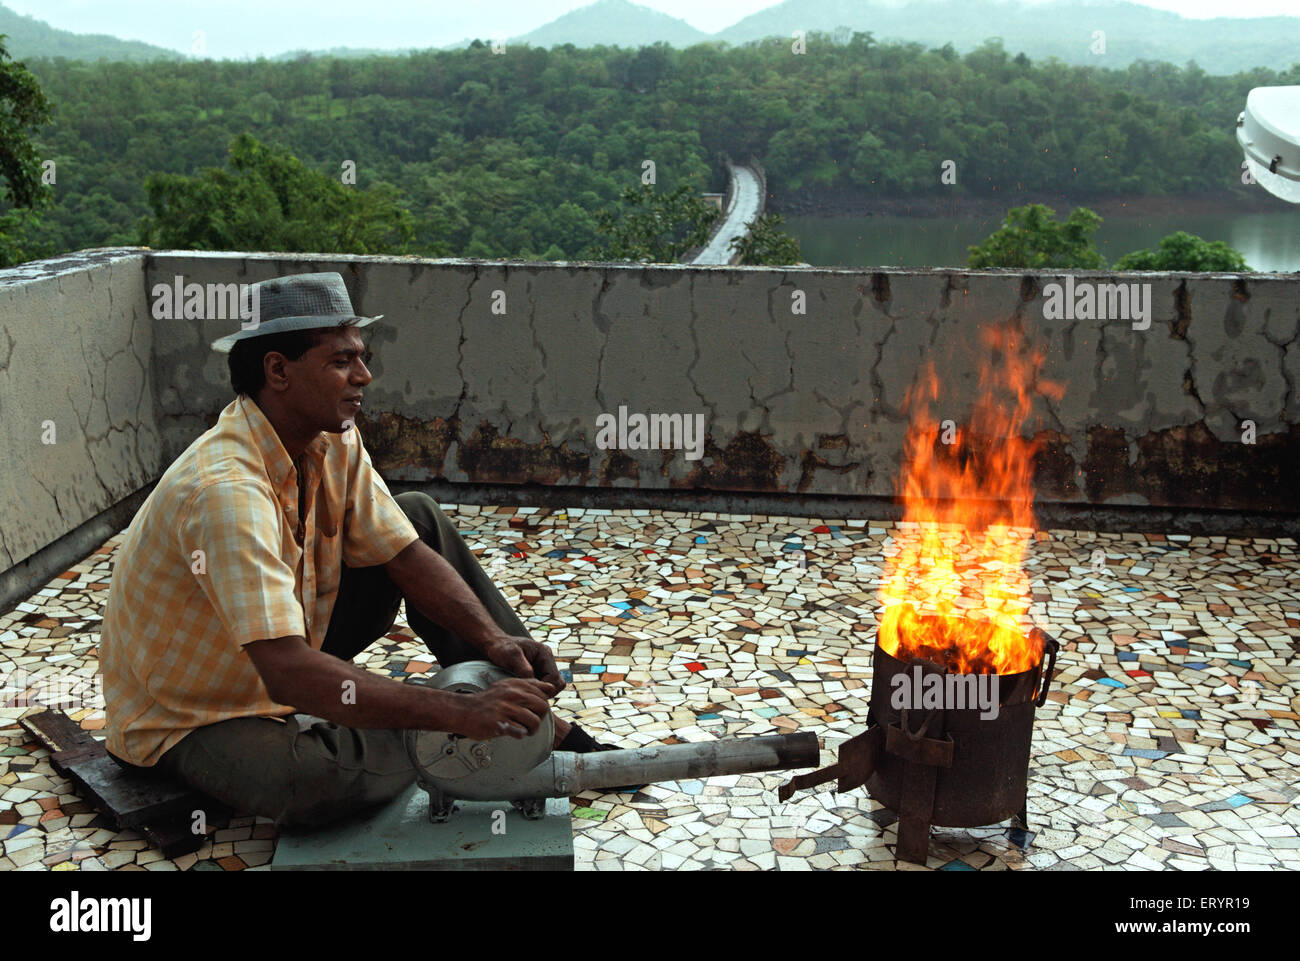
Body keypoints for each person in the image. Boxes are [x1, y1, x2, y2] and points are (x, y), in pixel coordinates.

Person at [101, 272, 612, 828]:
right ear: (278, 370)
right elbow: (288, 673)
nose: (363, 376)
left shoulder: (332, 436)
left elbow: (401, 553)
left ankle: (525, 707)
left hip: (291, 648)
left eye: (361, 358)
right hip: (200, 712)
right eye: (341, 361)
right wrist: (456, 711)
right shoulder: (225, 490)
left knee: (414, 517)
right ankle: (489, 721)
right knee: (316, 783)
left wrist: (493, 639)